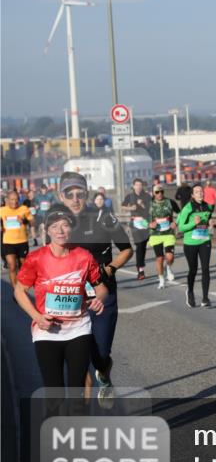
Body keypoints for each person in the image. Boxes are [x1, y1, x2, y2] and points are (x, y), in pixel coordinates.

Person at [13, 204, 108, 396]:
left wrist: (99, 299)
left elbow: (101, 288)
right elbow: (19, 291)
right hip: (47, 331)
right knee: (54, 392)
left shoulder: (84, 256)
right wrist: (37, 317)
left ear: (71, 228)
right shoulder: (36, 258)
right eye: (55, 226)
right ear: (47, 230)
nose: (60, 231)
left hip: (78, 329)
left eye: (65, 225)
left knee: (77, 390)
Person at [58, 172, 133, 401]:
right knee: (79, 358)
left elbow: (127, 249)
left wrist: (109, 269)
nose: (75, 199)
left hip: (103, 294)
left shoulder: (103, 217)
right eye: (69, 194)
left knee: (100, 354)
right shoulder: (57, 223)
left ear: (87, 194)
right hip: (73, 298)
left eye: (79, 193)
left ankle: (104, 374)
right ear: (61, 197)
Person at [177, 183, 214, 308]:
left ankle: (205, 298)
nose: (200, 193)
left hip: (205, 241)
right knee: (193, 269)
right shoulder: (188, 208)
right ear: (192, 195)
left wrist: (210, 222)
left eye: (201, 191)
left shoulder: (208, 206)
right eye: (197, 192)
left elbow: (208, 219)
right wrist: (193, 223)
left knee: (205, 269)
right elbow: (181, 227)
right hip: (190, 243)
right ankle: (190, 291)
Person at [121, 178, 152, 280]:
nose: (138, 187)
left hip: (145, 223)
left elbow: (151, 209)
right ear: (133, 186)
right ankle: (140, 270)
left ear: (142, 186)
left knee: (142, 246)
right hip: (135, 223)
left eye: (140, 185)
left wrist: (142, 204)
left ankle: (141, 266)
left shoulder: (147, 196)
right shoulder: (129, 196)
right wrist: (131, 208)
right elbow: (122, 206)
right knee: (139, 245)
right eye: (137, 185)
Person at [149, 184, 178, 289]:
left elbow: (180, 213)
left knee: (169, 257)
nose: (159, 194)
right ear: (153, 193)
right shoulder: (150, 204)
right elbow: (143, 219)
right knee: (160, 258)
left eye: (161, 192)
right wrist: (149, 224)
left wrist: (176, 223)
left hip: (168, 233)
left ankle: (168, 267)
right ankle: (161, 280)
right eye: (157, 192)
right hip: (155, 234)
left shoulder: (170, 202)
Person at [1, 189, 32, 286]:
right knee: (12, 266)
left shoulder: (24, 209)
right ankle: (16, 291)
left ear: (19, 199)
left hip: (22, 241)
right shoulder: (2, 210)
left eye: (16, 199)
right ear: (7, 200)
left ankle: (21, 285)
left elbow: (32, 221)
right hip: (8, 242)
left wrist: (25, 221)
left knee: (23, 266)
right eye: (12, 199)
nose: (14, 202)